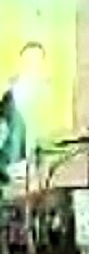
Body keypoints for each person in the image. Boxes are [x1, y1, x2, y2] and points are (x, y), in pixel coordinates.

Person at [0, 42, 47, 184]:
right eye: (28, 60)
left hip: (29, 159)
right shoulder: (11, 91)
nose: (32, 65)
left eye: (36, 60)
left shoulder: (43, 89)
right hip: (12, 160)